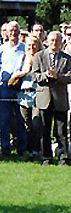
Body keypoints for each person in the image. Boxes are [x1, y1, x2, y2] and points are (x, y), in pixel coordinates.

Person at [32, 31, 71, 166]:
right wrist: (46, 76)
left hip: (60, 99)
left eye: (57, 41)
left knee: (61, 131)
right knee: (45, 130)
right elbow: (34, 76)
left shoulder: (67, 58)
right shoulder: (39, 56)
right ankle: (46, 157)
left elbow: (69, 77)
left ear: (61, 42)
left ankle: (63, 158)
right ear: (47, 41)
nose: (54, 43)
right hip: (44, 98)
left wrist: (57, 77)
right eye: (52, 40)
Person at [0, 21, 27, 156]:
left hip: (21, 88)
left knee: (21, 119)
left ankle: (22, 149)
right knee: (5, 120)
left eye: (15, 30)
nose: (13, 33)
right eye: (11, 30)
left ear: (19, 32)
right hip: (5, 88)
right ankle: (6, 149)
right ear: (6, 33)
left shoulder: (25, 48)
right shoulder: (1, 49)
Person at [10, 36, 42, 161]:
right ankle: (28, 150)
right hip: (24, 95)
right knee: (25, 124)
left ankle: (36, 150)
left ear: (38, 45)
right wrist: (25, 71)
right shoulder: (22, 58)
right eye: (29, 45)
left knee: (36, 122)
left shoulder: (41, 58)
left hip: (38, 93)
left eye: (34, 44)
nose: (31, 47)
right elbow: (15, 74)